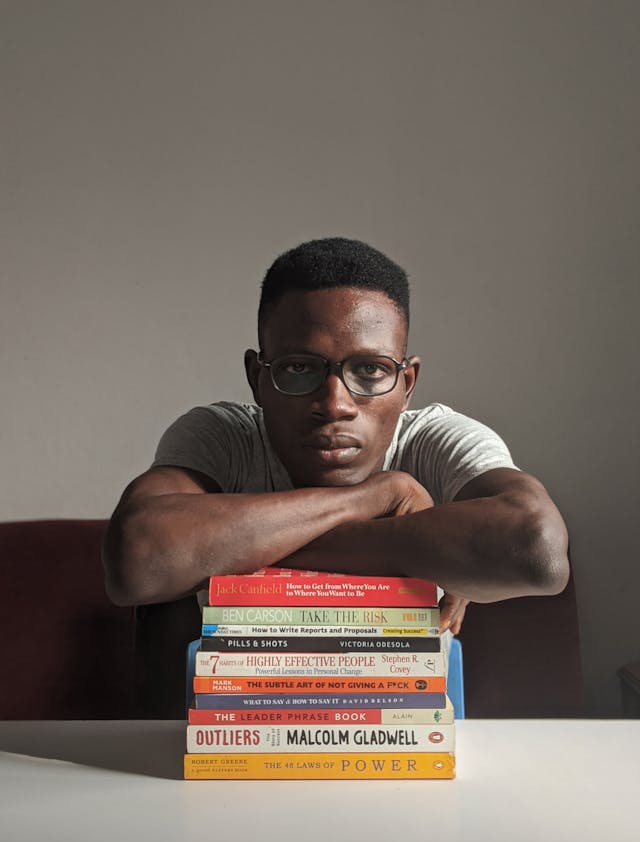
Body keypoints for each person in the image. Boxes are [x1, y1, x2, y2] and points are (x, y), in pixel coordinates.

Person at [103, 237, 569, 640]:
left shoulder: (434, 439)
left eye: (370, 370)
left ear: (407, 384)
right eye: (300, 368)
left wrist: (232, 555)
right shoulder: (226, 435)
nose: (335, 403)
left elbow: (538, 550)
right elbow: (138, 558)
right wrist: (377, 497)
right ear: (256, 379)